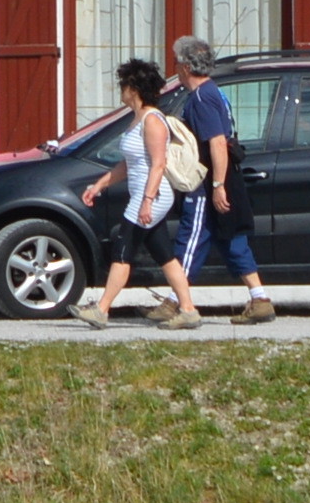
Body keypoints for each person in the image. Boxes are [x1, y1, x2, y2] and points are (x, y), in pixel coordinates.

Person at [75, 58, 200, 328]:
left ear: (134, 88)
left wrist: (147, 201)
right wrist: (100, 185)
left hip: (152, 196)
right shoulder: (137, 119)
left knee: (123, 247)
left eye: (124, 84)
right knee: (165, 255)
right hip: (144, 195)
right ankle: (188, 311)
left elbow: (158, 164)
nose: (121, 90)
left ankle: (101, 309)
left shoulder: (153, 120)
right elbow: (129, 164)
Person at [167, 34, 273, 325]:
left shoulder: (201, 98)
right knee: (230, 239)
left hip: (212, 180)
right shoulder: (214, 92)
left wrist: (217, 186)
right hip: (227, 178)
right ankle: (260, 298)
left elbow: (216, 143)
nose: (175, 68)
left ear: (187, 67)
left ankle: (177, 302)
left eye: (177, 63)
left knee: (192, 236)